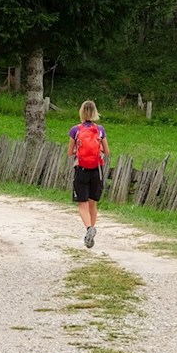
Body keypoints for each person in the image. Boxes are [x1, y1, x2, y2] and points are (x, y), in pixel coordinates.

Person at [67, 100, 110, 248]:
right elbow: (107, 151)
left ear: (81, 112)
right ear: (95, 112)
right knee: (93, 204)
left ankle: (89, 229)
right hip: (97, 170)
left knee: (82, 204)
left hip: (81, 169)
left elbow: (70, 152)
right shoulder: (100, 130)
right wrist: (99, 150)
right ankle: (90, 235)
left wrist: (78, 150)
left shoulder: (75, 130)